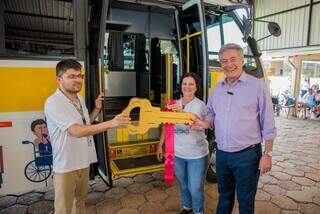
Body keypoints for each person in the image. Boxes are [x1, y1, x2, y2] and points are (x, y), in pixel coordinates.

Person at [191, 43, 276, 214]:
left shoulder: (257, 86)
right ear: (220, 64)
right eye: (224, 61)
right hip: (222, 155)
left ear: (242, 60)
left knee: (245, 201)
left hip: (248, 156)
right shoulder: (217, 89)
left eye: (233, 59)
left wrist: (267, 154)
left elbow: (268, 122)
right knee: (224, 196)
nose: (229, 65)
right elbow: (211, 115)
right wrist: (204, 123)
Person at [44, 59, 130, 214]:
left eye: (80, 75)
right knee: (64, 209)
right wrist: (111, 123)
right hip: (66, 167)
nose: (77, 80)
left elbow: (86, 123)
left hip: (83, 162)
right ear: (59, 79)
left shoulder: (79, 99)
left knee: (80, 204)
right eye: (71, 76)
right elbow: (76, 131)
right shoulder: (53, 102)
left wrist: (97, 109)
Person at [157, 73, 209, 214]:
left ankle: (198, 211)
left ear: (196, 87)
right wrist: (160, 145)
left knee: (195, 188)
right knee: (183, 184)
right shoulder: (172, 104)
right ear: (181, 86)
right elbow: (166, 126)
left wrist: (182, 112)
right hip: (178, 154)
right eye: (185, 84)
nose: (187, 87)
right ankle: (187, 207)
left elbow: (196, 122)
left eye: (191, 84)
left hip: (197, 155)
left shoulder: (200, 105)